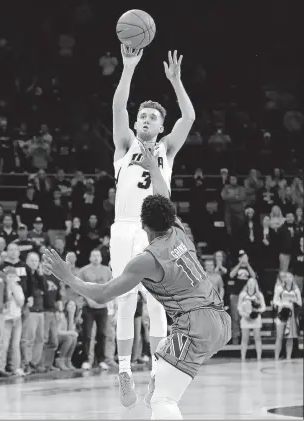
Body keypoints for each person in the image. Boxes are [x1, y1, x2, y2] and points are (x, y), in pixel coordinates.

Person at [43, 147, 231, 420]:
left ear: (143, 225)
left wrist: (68, 277)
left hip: (194, 325)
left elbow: (104, 294)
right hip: (220, 319)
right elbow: (163, 194)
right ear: (169, 217)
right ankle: (161, 378)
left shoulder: (147, 260)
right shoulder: (178, 229)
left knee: (163, 399)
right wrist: (154, 168)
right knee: (159, 387)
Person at [110, 45, 195, 406]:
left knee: (158, 306)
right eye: (141, 115)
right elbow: (117, 108)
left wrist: (176, 82)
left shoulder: (166, 151)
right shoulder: (125, 145)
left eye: (151, 117)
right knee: (125, 304)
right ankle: (125, 372)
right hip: (123, 229)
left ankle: (157, 375)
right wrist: (128, 68)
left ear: (160, 127)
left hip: (155, 232)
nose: (145, 119)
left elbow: (188, 118)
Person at [237, 278, 266, 361]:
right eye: (249, 282)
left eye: (253, 282)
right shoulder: (242, 294)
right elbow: (239, 307)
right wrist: (244, 314)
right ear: (247, 284)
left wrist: (257, 311)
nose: (251, 284)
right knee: (244, 338)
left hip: (255, 318)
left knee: (257, 338)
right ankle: (243, 357)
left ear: (255, 284)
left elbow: (263, 307)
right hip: (245, 318)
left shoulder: (259, 295)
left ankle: (259, 357)